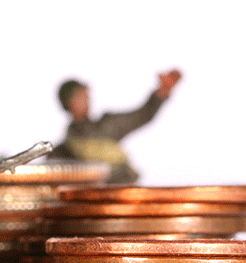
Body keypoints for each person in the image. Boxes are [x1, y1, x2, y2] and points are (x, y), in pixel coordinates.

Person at [49, 69, 182, 183]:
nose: (86, 99)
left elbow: (142, 115)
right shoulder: (64, 151)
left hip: (120, 188)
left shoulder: (106, 125)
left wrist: (162, 91)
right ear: (68, 103)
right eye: (79, 96)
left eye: (85, 95)